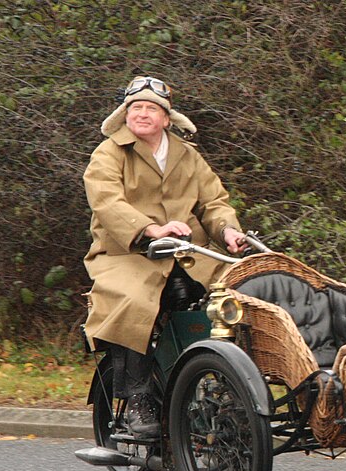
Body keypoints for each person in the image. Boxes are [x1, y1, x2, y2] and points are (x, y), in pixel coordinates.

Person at [83, 76, 247, 439]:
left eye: (151, 108)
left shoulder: (187, 156)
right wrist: (151, 229)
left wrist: (228, 231)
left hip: (191, 254)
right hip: (127, 255)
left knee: (244, 292)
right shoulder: (108, 154)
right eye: (135, 108)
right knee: (133, 301)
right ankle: (139, 399)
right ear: (125, 115)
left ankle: (233, 390)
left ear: (166, 118)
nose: (142, 114)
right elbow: (108, 203)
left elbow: (214, 203)